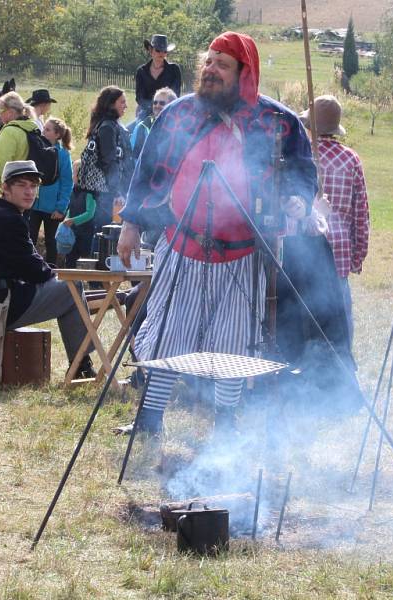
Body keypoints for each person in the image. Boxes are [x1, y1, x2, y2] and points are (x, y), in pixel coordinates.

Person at [117, 31, 319, 434]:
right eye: (208, 62)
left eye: (221, 65)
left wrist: (299, 199)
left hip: (243, 252)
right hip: (182, 244)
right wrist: (131, 224)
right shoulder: (178, 115)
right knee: (166, 337)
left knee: (233, 342)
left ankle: (226, 426)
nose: (210, 70)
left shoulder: (277, 121)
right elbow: (148, 170)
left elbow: (301, 171)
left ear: (245, 74)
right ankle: (150, 419)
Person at [0, 160, 95, 378]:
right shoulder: (6, 218)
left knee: (69, 288)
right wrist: (55, 272)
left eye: (33, 185)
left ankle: (81, 364)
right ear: (5, 188)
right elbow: (36, 272)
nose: (29, 192)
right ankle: (81, 367)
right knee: (71, 288)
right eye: (22, 185)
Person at [300, 95, 370, 344]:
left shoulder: (301, 156)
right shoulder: (351, 159)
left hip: (303, 252)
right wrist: (357, 257)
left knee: (302, 319)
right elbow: (361, 215)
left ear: (310, 126)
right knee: (340, 323)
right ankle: (341, 368)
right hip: (339, 252)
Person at [86, 86, 134, 232]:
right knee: (108, 233)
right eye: (122, 102)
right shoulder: (107, 127)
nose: (125, 105)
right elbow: (109, 162)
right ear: (111, 104)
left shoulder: (110, 124)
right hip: (109, 194)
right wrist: (117, 192)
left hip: (109, 191)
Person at [29, 117, 74, 266]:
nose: (43, 132)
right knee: (29, 238)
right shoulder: (38, 149)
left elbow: (67, 182)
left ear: (57, 135)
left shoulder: (63, 154)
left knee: (51, 241)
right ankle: (28, 269)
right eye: (44, 129)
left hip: (53, 208)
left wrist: (61, 207)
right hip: (34, 204)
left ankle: (51, 273)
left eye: (47, 130)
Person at [0, 92, 39, 197]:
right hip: (26, 189)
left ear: (10, 112)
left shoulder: (10, 132)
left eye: (0, 111)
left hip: (7, 191)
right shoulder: (31, 127)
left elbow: (2, 165)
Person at [135, 34, 182, 120]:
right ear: (150, 50)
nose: (162, 53)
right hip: (146, 114)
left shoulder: (174, 70)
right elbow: (139, 97)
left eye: (164, 51)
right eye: (158, 50)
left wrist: (161, 109)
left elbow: (175, 95)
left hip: (168, 113)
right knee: (127, 131)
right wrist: (153, 108)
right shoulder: (141, 71)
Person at [63, 160, 97, 267]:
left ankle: (92, 283)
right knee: (70, 259)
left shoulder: (90, 192)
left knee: (87, 259)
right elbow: (71, 208)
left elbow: (90, 213)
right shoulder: (73, 191)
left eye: (73, 173)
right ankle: (70, 283)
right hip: (73, 232)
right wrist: (67, 218)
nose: (72, 175)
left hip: (86, 233)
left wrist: (73, 220)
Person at [130, 87, 177, 160]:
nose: (157, 106)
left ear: (172, 105)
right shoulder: (142, 127)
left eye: (162, 103)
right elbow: (133, 158)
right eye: (155, 102)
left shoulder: (179, 129)